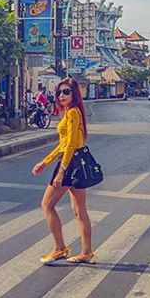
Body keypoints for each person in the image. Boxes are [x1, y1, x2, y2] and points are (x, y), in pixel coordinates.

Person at [32, 77, 95, 264]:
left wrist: (61, 171)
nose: (61, 95)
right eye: (59, 92)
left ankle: (60, 248)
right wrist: (45, 162)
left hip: (70, 164)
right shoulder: (70, 113)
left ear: (74, 94)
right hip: (74, 163)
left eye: (66, 92)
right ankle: (86, 252)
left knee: (47, 205)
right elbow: (64, 144)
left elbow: (69, 147)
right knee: (79, 210)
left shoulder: (73, 113)